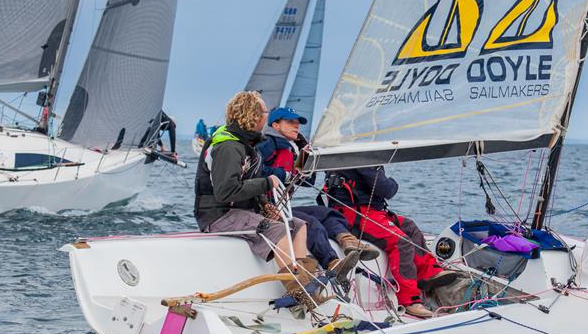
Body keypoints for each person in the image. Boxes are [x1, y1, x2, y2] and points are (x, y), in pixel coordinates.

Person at [193, 91, 318, 297]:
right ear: (253, 115)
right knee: (279, 230)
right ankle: (300, 292)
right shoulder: (229, 147)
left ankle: (305, 279)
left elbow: (247, 180)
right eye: (265, 111)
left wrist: (263, 205)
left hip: (241, 211)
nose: (267, 115)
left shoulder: (246, 143)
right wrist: (267, 183)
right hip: (218, 216)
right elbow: (225, 192)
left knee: (297, 225)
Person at [257, 107, 378, 272]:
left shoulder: (292, 148)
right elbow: (255, 169)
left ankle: (349, 242)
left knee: (328, 213)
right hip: (265, 209)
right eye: (290, 122)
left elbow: (307, 181)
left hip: (283, 208)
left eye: (298, 122)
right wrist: (283, 175)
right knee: (310, 223)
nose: (296, 125)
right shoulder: (267, 143)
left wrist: (305, 151)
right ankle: (332, 263)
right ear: (276, 125)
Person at [325, 166, 456, 318]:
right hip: (356, 214)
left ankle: (428, 272)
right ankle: (409, 300)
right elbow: (386, 189)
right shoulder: (363, 160)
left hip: (369, 211)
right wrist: (393, 182)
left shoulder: (356, 158)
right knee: (401, 243)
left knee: (410, 227)